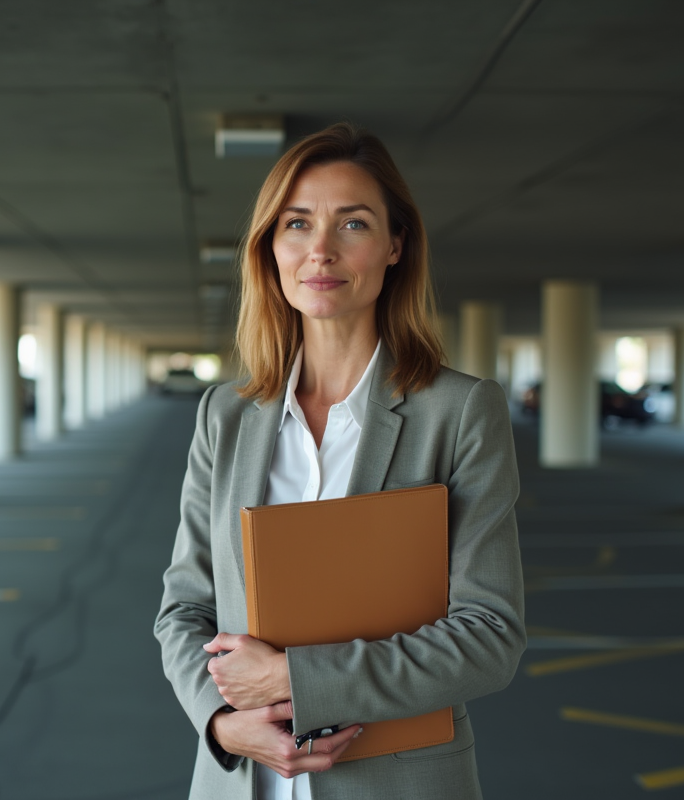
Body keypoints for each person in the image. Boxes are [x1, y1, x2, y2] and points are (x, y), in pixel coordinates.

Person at [154, 122, 525, 800]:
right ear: (270, 247)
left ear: (395, 245)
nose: (320, 250)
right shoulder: (225, 415)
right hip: (242, 784)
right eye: (297, 223)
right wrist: (222, 724)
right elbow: (185, 608)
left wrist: (297, 679)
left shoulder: (459, 411)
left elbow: (489, 636)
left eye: (353, 224)